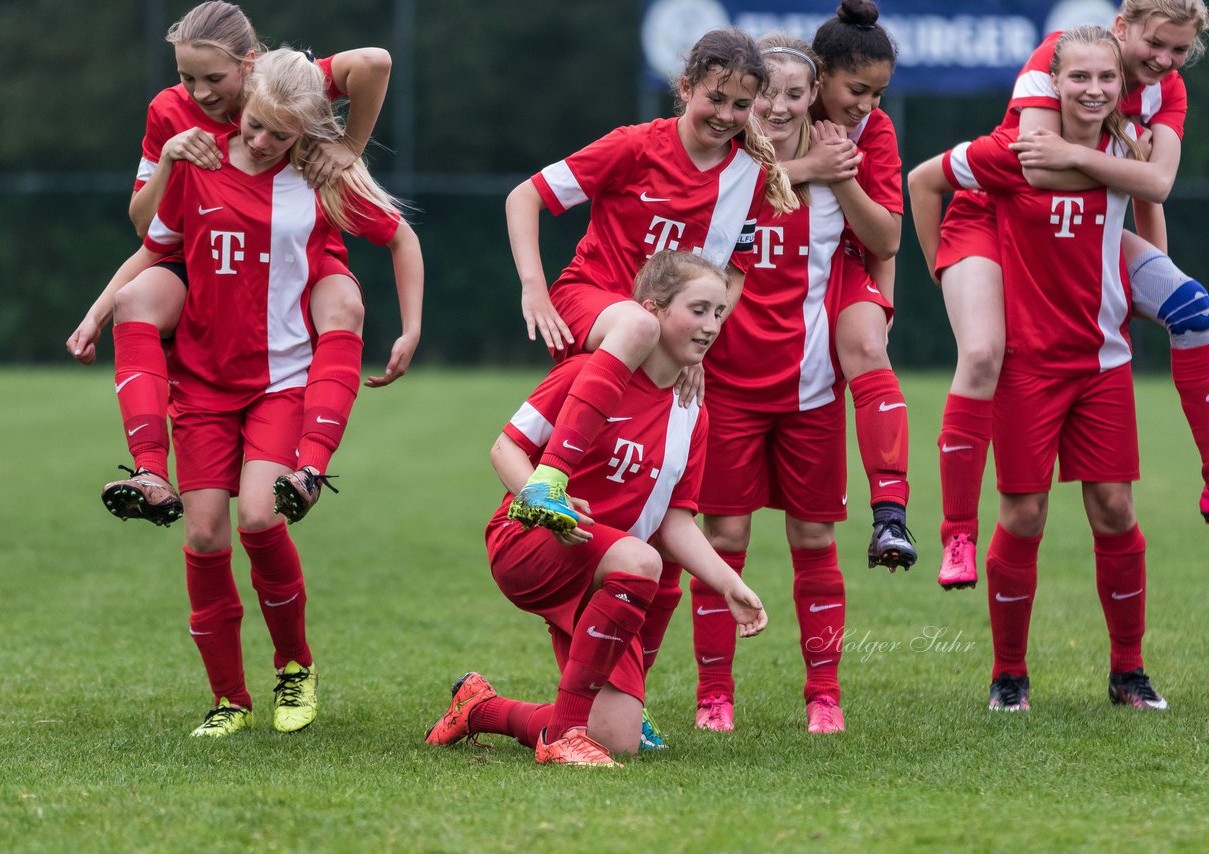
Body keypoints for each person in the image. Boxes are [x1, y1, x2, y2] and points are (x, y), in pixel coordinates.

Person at [87, 48, 422, 735]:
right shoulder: (200, 159)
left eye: (280, 133)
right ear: (246, 107)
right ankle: (228, 700)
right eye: (256, 126)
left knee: (261, 518)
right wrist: (102, 308)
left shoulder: (320, 179)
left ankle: (294, 669)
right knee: (206, 535)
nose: (262, 141)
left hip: (281, 381)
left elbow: (402, 238)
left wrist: (411, 329)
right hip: (204, 382)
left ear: (303, 133)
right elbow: (156, 243)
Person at [66, 1, 406, 525]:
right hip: (197, 252)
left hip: (289, 258)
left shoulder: (282, 86)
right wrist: (96, 313)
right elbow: (146, 229)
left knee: (341, 301)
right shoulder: (167, 111)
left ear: (249, 64)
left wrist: (350, 147)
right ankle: (150, 470)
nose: (199, 92)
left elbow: (374, 62)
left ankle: (311, 466)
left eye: (214, 77)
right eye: (186, 76)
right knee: (135, 300)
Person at [909, 25, 1168, 713]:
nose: (1093, 89)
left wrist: (1153, 287)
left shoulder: (1130, 151)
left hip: (1102, 358)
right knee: (1024, 516)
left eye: (1106, 79)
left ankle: (1129, 672)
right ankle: (1009, 676)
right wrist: (949, 271)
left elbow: (1151, 203)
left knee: (1115, 510)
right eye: (1078, 78)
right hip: (1027, 364)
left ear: (1123, 86)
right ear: (1051, 85)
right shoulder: (1013, 152)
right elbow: (924, 182)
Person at [423, 251, 768, 766]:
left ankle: (480, 708)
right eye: (698, 310)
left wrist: (728, 583)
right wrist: (547, 504)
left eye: (719, 313)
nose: (711, 325)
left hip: (609, 572)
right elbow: (505, 449)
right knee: (641, 561)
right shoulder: (587, 373)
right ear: (651, 310)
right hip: (529, 543)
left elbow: (675, 521)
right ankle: (562, 737)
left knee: (616, 738)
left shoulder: (692, 411)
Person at [933, 0, 1209, 592]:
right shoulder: (1057, 56)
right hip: (995, 213)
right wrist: (943, 265)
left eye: (1179, 50)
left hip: (1083, 216)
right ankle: (957, 530)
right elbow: (1035, 168)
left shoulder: (1166, 93)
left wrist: (1149, 274)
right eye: (1154, 43)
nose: (1163, 59)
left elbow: (1153, 188)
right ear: (1122, 27)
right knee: (982, 354)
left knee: (1193, 310)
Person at [501, 28, 796, 536]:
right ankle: (546, 480)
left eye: (741, 104)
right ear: (685, 88)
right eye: (715, 98)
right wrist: (533, 287)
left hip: (664, 335)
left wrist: (697, 351)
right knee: (639, 326)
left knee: (649, 519)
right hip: (589, 301)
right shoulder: (635, 145)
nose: (726, 115)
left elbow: (730, 273)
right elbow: (525, 196)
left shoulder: (751, 173)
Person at [682, 33, 861, 736]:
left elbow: (886, 239)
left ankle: (824, 693)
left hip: (812, 390)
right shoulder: (722, 175)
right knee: (722, 532)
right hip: (724, 388)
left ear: (813, 99)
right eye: (767, 94)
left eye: (795, 93)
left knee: (814, 535)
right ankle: (713, 694)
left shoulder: (835, 177)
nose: (778, 106)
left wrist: (828, 169)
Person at [801, 0, 915, 572]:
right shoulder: (773, 111)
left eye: (878, 94)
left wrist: (840, 171)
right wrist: (807, 164)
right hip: (764, 273)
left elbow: (886, 239)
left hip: (841, 271)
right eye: (856, 89)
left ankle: (891, 516)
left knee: (869, 345)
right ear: (818, 73)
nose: (867, 105)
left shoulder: (875, 132)